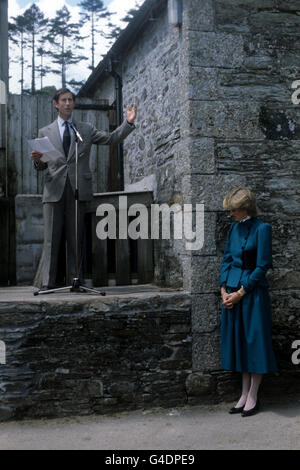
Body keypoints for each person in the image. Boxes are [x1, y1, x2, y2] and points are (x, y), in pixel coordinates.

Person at [31, 88, 137, 289]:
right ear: (56, 104)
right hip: (54, 191)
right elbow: (43, 165)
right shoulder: (45, 132)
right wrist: (37, 161)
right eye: (64, 100)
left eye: (71, 100)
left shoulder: (85, 129)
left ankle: (75, 281)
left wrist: (128, 123)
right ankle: (47, 283)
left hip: (78, 190)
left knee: (75, 239)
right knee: (51, 240)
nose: (68, 103)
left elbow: (111, 139)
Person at [219, 187, 277, 417]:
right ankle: (243, 393)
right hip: (232, 292)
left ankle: (253, 394)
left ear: (245, 209)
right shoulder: (233, 228)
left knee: (255, 342)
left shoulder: (263, 229)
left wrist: (241, 293)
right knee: (240, 343)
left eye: (234, 210)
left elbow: (262, 266)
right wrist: (224, 290)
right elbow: (226, 260)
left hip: (252, 294)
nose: (231, 214)